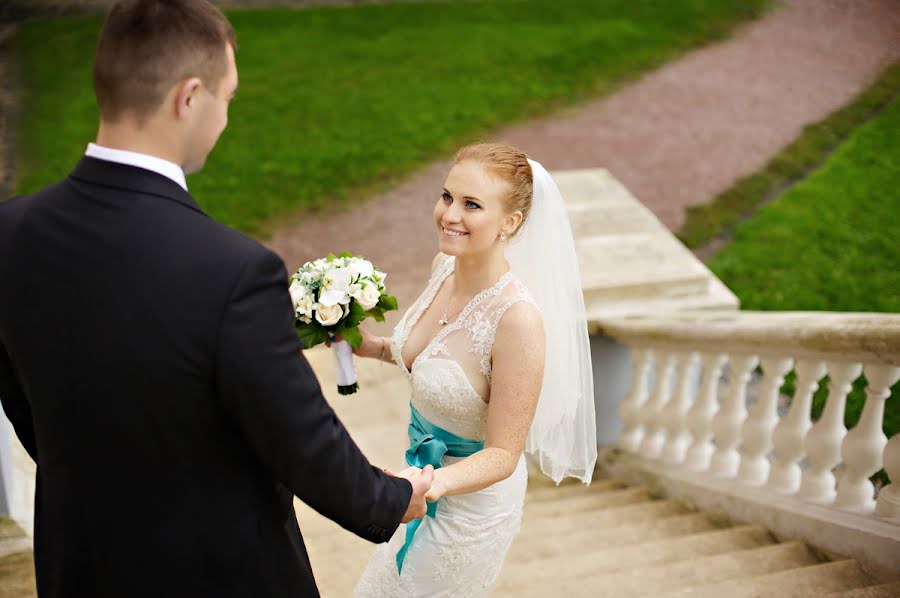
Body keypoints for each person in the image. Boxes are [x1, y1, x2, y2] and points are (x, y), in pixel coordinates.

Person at [0, 1, 431, 596]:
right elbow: (298, 436)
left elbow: (23, 400)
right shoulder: (232, 271)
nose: (225, 118)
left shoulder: (10, 233)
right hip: (218, 572)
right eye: (227, 98)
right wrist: (392, 497)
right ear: (189, 96)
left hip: (77, 562)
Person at [352, 143, 597, 597]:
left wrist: (430, 482)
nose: (449, 214)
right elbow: (430, 359)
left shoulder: (517, 321)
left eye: (472, 205)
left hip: (471, 508)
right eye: (447, 196)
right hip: (418, 489)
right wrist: (371, 347)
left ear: (510, 222)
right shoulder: (444, 267)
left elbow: (504, 454)